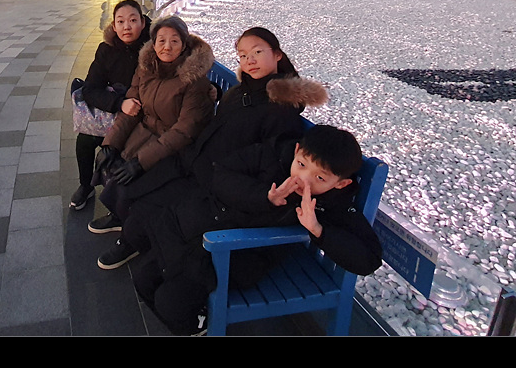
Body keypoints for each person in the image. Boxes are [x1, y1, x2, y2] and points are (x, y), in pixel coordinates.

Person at [134, 124, 383, 336]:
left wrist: (318, 230)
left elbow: (369, 258)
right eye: (301, 164)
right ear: (296, 151)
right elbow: (221, 175)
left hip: (237, 255)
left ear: (341, 184)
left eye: (320, 178)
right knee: (144, 278)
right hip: (203, 229)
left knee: (170, 302)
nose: (304, 179)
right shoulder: (271, 156)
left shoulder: (331, 204)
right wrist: (265, 197)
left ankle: (196, 326)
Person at [88, 15, 216, 269]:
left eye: (174, 41)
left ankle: (131, 239)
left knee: (134, 182)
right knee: (111, 163)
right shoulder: (146, 68)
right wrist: (110, 144)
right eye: (161, 40)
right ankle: (121, 216)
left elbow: (183, 131)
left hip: (178, 150)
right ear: (153, 43)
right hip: (147, 137)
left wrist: (139, 162)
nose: (166, 47)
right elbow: (132, 109)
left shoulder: (194, 81)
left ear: (184, 45)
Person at [69, 0, 152, 211]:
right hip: (118, 112)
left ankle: (123, 201)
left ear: (142, 22)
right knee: (85, 139)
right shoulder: (107, 50)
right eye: (121, 22)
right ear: (114, 26)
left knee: (126, 146)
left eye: (133, 20)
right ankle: (85, 185)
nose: (127, 27)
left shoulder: (154, 47)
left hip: (147, 117)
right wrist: (119, 103)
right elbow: (90, 89)